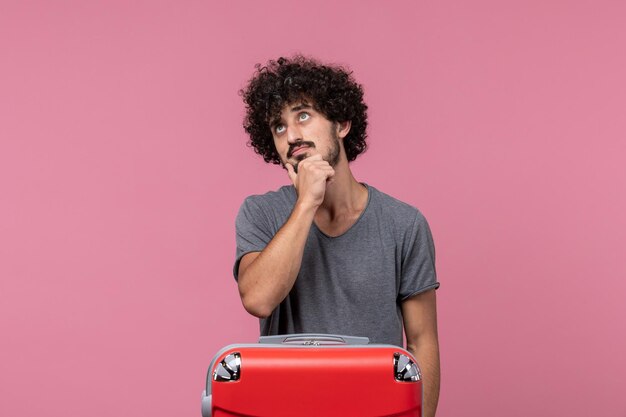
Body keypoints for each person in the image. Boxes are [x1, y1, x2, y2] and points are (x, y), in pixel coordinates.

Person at [234, 55, 441, 416]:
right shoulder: (260, 213)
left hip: (376, 407)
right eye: (278, 127)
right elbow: (259, 300)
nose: (292, 135)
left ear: (342, 123)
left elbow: (422, 340)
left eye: (303, 115)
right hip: (284, 405)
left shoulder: (404, 224)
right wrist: (306, 204)